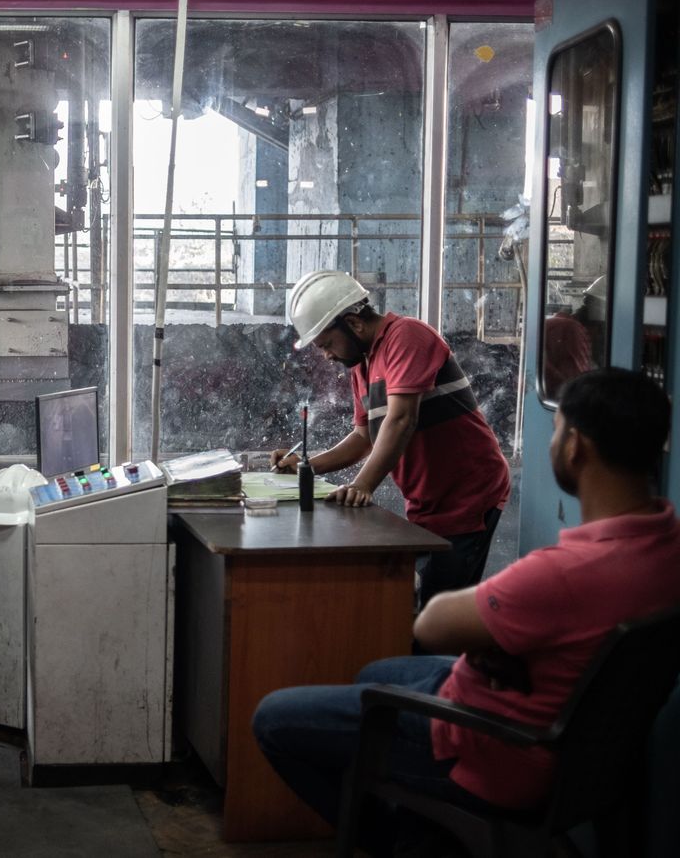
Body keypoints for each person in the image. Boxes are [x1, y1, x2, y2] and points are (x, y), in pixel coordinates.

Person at [253, 367, 680, 855]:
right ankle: (427, 826)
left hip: (492, 747)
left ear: (575, 446)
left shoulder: (563, 574)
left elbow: (433, 624)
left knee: (274, 719)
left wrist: (492, 637)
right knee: (377, 669)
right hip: (570, 740)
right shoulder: (665, 544)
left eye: (557, 429)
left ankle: (397, 843)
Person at [271, 270, 511, 608]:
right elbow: (363, 437)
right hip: (428, 498)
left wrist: (362, 485)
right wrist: (305, 466)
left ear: (353, 323)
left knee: (440, 614)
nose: (326, 356)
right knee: (422, 604)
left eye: (326, 344)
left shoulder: (406, 336)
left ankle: (451, 663)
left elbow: (401, 419)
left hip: (467, 495)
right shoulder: (362, 365)